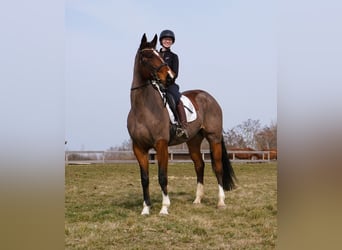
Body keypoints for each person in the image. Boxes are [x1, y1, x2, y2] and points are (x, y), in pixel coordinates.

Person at [159, 29, 189, 139]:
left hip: (169, 84)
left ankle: (183, 126)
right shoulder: (156, 55)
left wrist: (166, 81)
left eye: (169, 40)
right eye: (165, 39)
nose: (167, 41)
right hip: (155, 84)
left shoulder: (173, 56)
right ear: (161, 41)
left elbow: (174, 74)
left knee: (176, 98)